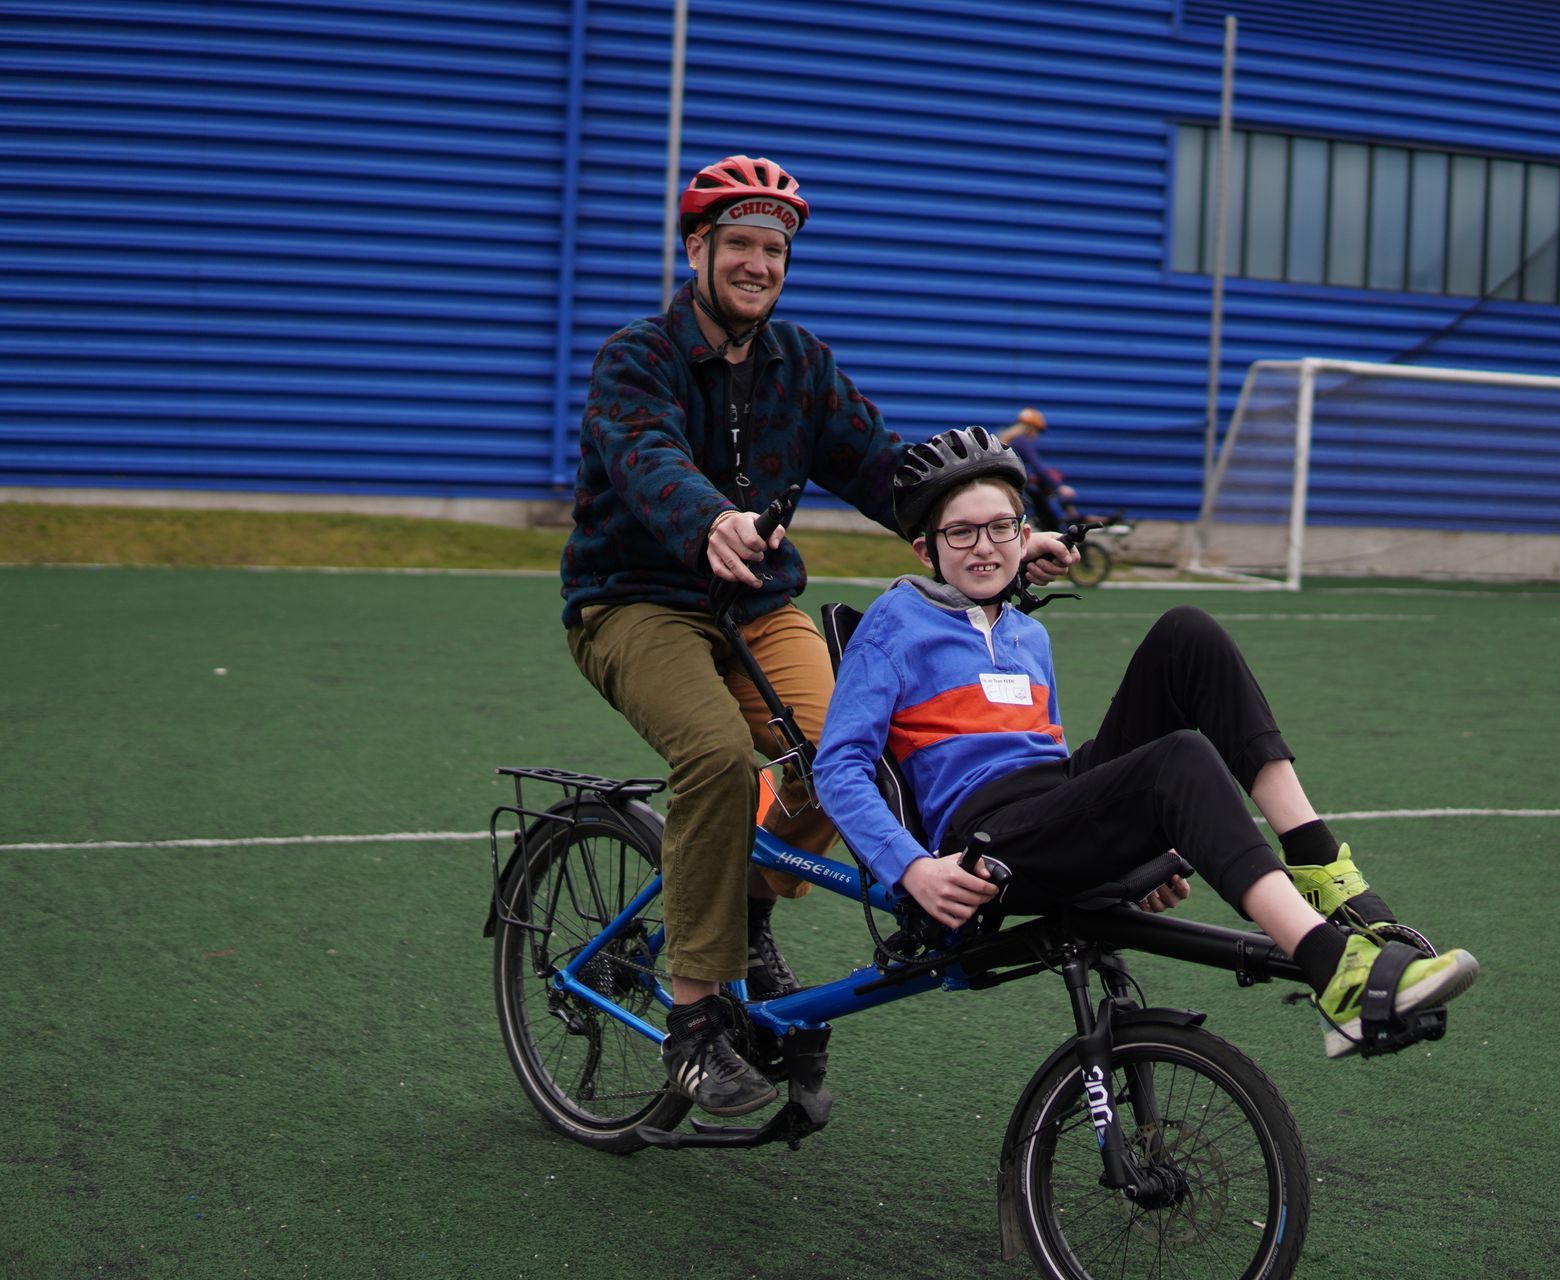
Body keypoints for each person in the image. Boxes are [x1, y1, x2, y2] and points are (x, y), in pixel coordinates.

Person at [561, 159, 1076, 1118]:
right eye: (739, 244)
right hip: (635, 601)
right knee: (716, 756)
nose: (758, 263)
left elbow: (889, 473)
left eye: (774, 249)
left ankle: (749, 904)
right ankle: (694, 1017)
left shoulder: (800, 363)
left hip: (756, 606)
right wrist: (712, 519)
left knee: (847, 749)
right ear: (697, 249)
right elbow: (645, 455)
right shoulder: (639, 356)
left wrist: (1004, 538)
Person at [814, 428, 1480, 1058]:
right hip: (984, 838)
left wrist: (1130, 844)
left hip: (1050, 804)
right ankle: (1334, 970)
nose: (984, 547)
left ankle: (1323, 871)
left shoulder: (1025, 633)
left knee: (1187, 634)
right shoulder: (895, 623)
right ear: (925, 550)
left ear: (1024, 532)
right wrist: (913, 869)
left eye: (1001, 528)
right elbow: (839, 767)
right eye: (961, 533)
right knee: (1178, 759)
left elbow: (1052, 766)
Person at [998, 406, 1078, 531]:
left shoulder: (1006, 438)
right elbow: (1038, 466)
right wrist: (1058, 487)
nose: (1036, 435)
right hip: (1017, 488)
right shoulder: (1021, 441)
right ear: (1031, 429)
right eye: (1037, 431)